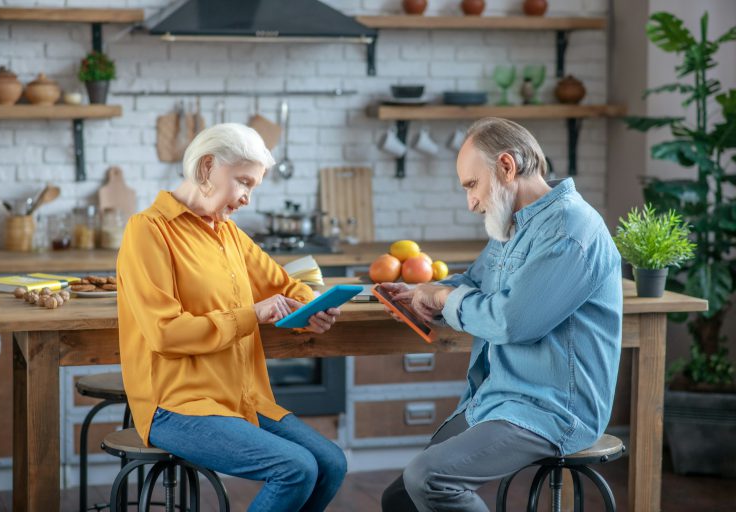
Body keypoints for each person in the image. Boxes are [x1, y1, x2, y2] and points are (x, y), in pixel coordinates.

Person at [380, 117, 623, 512]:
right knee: (401, 499)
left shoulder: (570, 229)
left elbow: (512, 321)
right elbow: (474, 284)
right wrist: (419, 295)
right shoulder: (515, 228)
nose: (471, 203)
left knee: (430, 478)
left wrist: (443, 297)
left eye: (472, 185)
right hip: (500, 397)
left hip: (552, 409)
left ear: (507, 167)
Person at [117, 123, 347, 512]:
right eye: (243, 182)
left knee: (331, 463)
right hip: (177, 404)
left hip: (240, 398)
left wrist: (311, 309)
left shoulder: (229, 235)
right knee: (295, 468)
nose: (246, 199)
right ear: (207, 168)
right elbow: (165, 333)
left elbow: (287, 285)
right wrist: (252, 314)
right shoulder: (148, 231)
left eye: (252, 187)